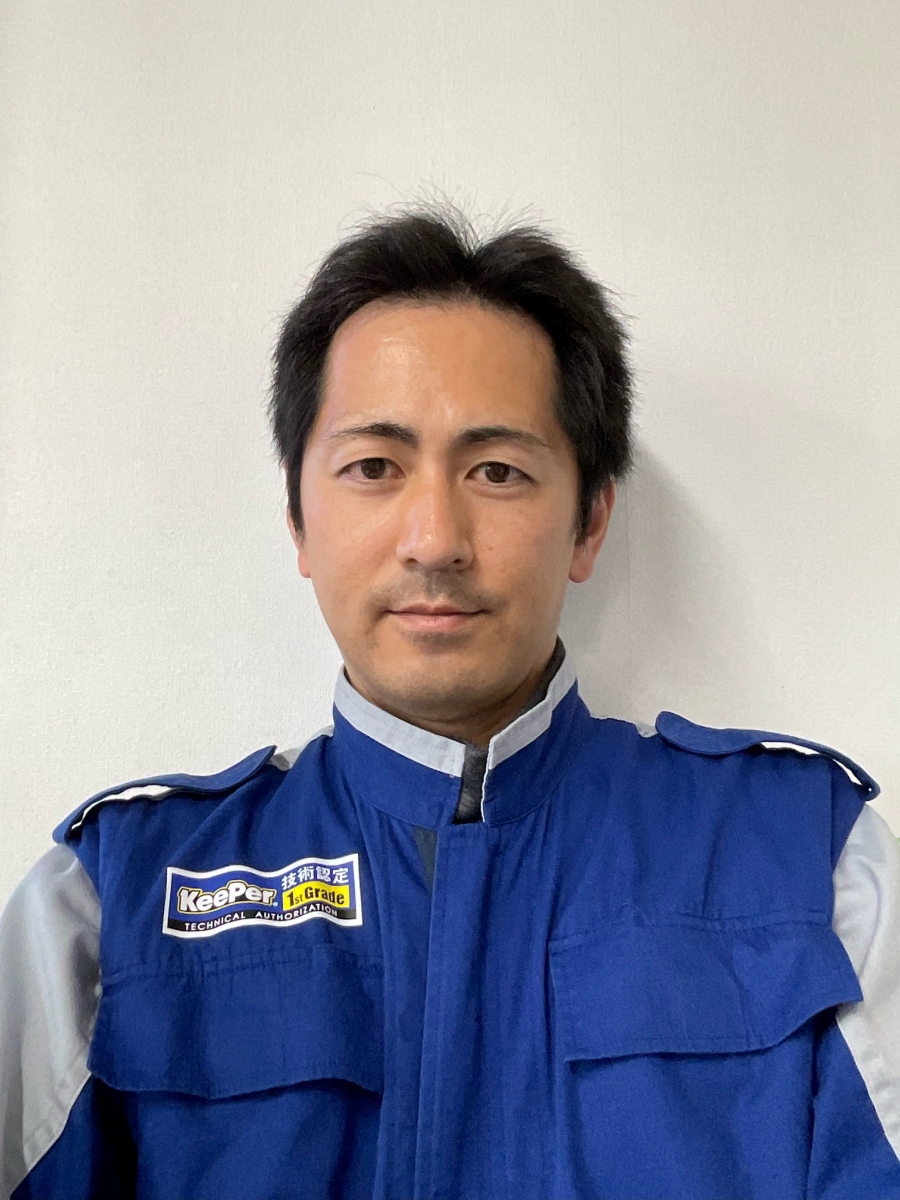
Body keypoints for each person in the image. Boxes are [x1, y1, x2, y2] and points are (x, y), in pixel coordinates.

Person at [2, 203, 898, 1200]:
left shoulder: (816, 866)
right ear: (299, 521)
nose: (435, 539)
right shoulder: (108, 905)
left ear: (590, 521)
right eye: (373, 467)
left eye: (498, 470)